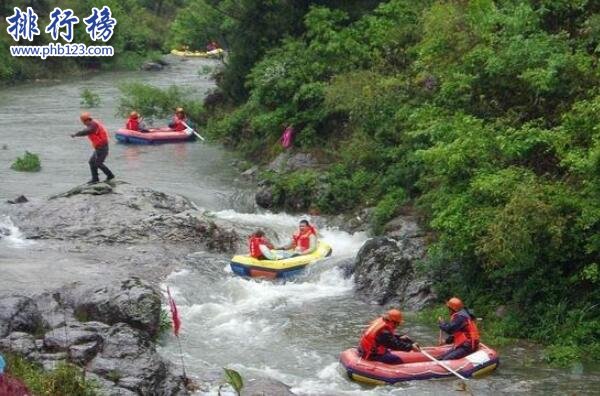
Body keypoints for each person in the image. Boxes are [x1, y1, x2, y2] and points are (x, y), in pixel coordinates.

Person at [71, 112, 115, 184]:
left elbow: (87, 131)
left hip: (102, 147)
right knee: (92, 162)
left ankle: (110, 176)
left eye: (83, 122)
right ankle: (95, 179)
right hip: (99, 147)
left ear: (86, 120)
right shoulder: (92, 124)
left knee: (98, 163)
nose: (84, 123)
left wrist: (76, 134)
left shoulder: (93, 125)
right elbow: (88, 131)